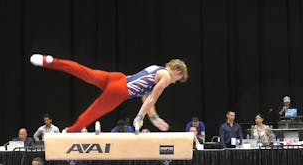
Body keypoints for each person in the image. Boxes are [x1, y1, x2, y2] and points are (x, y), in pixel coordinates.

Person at [30, 54, 188, 132]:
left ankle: (49, 61)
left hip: (117, 78)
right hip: (120, 91)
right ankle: (70, 131)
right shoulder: (166, 77)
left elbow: (147, 97)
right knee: (92, 113)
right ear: (176, 70)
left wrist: (153, 117)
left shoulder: (156, 68)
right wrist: (139, 118)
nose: (175, 81)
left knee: (84, 72)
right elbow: (152, 97)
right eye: (178, 78)